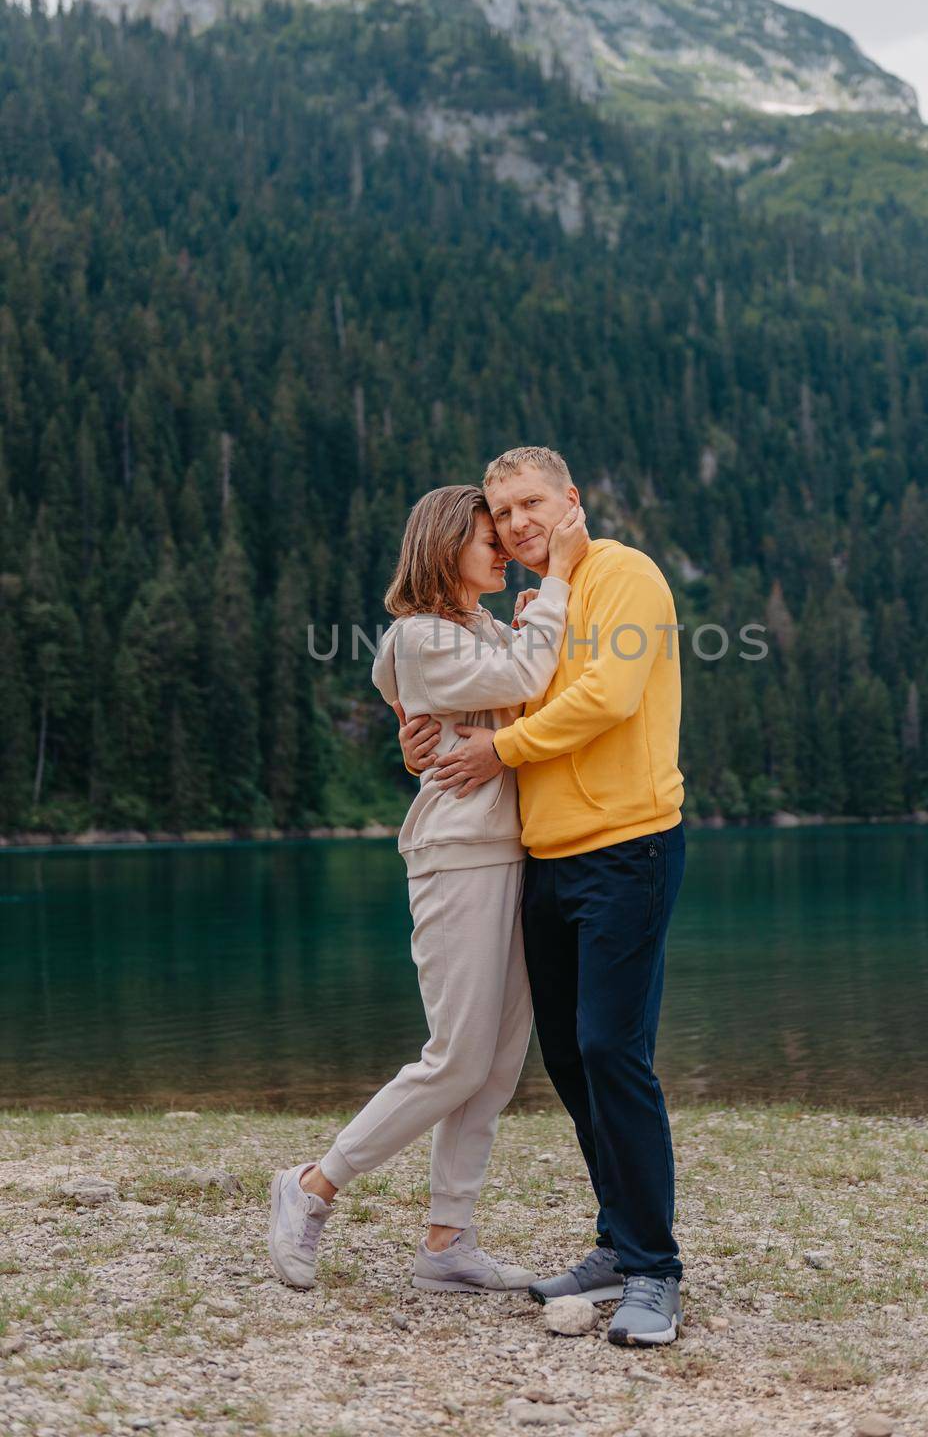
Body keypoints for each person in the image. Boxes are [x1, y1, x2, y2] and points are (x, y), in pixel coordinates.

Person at [268, 483, 590, 1294]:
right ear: (445, 545)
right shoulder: (423, 634)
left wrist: (412, 726)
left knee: (495, 1066)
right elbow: (505, 669)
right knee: (454, 1058)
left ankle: (448, 1240)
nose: (502, 545)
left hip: (513, 851)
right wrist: (557, 579)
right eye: (488, 534)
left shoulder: (468, 628)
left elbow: (397, 682)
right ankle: (313, 1186)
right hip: (458, 853)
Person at [400, 445, 687, 1347]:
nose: (518, 523)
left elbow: (606, 697)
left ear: (571, 498)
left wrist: (500, 749)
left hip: (627, 846)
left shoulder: (623, 575)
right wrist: (427, 740)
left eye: (531, 504)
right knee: (567, 1054)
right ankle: (616, 1243)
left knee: (613, 1049)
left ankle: (655, 1271)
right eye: (503, 511)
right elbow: (503, 700)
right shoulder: (538, 610)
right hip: (547, 858)